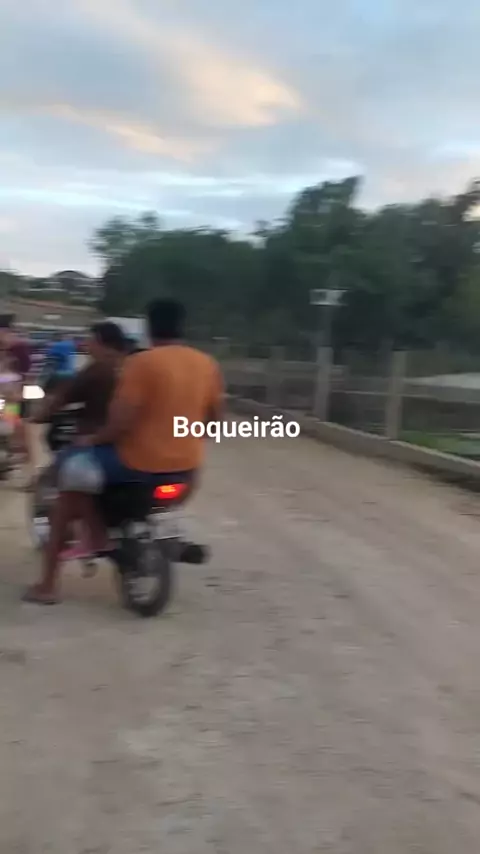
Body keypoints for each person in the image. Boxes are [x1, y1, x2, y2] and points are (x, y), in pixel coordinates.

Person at [23, 298, 223, 604]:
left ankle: (49, 584)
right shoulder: (207, 364)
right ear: (183, 326)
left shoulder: (141, 363)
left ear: (149, 326)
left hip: (136, 464)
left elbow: (121, 420)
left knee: (69, 477)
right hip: (186, 469)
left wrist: (93, 439)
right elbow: (214, 420)